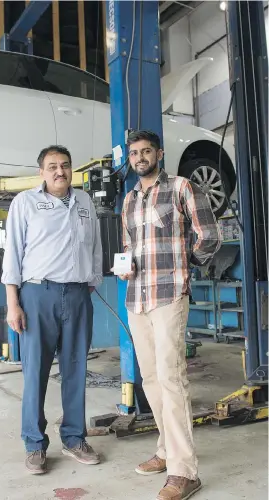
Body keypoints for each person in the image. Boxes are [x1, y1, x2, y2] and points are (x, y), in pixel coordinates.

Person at [119, 130, 221, 500]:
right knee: (150, 379)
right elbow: (130, 245)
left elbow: (208, 236)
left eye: (147, 151)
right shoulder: (129, 200)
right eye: (134, 153)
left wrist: (186, 264)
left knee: (171, 378)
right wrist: (126, 265)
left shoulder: (181, 187)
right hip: (137, 298)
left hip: (168, 295)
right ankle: (165, 450)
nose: (140, 157)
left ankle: (184, 471)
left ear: (159, 154)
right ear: (129, 159)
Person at [2, 145, 103, 474]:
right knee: (36, 373)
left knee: (76, 370)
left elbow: (95, 246)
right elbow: (13, 254)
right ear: (41, 172)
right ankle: (34, 443)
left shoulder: (85, 202)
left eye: (65, 165)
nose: (60, 171)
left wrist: (90, 282)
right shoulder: (26, 203)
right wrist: (13, 303)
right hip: (37, 294)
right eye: (52, 166)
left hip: (77, 294)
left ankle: (74, 438)